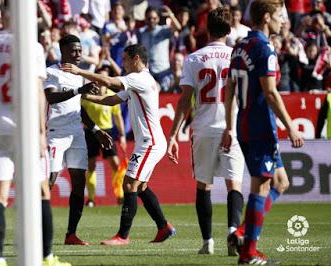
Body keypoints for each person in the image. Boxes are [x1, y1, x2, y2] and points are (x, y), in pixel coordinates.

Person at [0, 9, 70, 266]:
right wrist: (40, 132)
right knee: (41, 191)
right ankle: (48, 256)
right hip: (25, 127)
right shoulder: (31, 45)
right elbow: (38, 91)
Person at [62, 44, 176, 245]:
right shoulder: (138, 82)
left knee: (129, 184)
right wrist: (83, 94)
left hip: (150, 142)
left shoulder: (139, 78)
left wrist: (80, 71)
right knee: (140, 187)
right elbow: (111, 100)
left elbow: (107, 81)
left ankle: (123, 236)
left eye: (124, 59)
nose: (122, 64)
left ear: (136, 59)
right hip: (149, 142)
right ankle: (163, 227)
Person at [220, 0, 304, 264]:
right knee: (261, 186)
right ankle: (249, 253)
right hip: (260, 125)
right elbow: (270, 92)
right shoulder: (264, 48)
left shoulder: (239, 46)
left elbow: (230, 89)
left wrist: (229, 125)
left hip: (245, 123)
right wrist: (290, 126)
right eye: (280, 16)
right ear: (267, 18)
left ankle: (243, 232)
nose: (283, 21)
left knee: (280, 182)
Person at [167, 7, 244, 256]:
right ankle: (233, 233)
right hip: (231, 128)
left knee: (204, 185)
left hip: (203, 129)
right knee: (235, 185)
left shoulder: (193, 58)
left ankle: (207, 241)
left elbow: (184, 100)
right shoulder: (237, 57)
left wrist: (172, 135)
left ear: (207, 29)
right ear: (229, 29)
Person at [43, 34, 112, 246]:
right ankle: (35, 231)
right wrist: (78, 90)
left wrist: (96, 129)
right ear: (62, 50)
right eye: (73, 50)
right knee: (50, 181)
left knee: (79, 182)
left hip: (77, 134)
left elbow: (78, 108)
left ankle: (71, 234)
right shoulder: (51, 72)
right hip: (55, 132)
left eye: (80, 50)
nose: (78, 54)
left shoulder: (78, 75)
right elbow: (51, 97)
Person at [82, 66, 127, 207]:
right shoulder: (89, 95)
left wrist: (122, 135)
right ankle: (91, 199)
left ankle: (120, 196)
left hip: (108, 132)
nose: (103, 80)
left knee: (116, 165)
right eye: (100, 77)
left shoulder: (111, 95)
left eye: (105, 77)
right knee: (91, 166)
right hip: (92, 132)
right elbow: (81, 113)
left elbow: (118, 116)